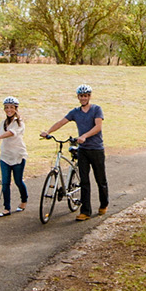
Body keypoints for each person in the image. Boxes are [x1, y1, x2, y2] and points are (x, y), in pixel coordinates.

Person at [42, 83, 108, 220]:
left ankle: (104, 204)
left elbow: (98, 127)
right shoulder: (75, 112)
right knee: (84, 181)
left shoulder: (96, 109)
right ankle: (85, 211)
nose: (83, 98)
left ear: (89, 96)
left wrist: (84, 136)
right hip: (83, 150)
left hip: (96, 149)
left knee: (100, 179)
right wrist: (48, 131)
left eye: (86, 96)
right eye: (81, 96)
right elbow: (61, 122)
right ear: (78, 97)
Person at [0, 96, 28, 217]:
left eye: (11, 107)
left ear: (16, 109)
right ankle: (6, 208)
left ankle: (24, 200)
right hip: (5, 156)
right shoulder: (3, 123)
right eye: (6, 107)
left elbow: (11, 133)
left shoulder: (19, 123)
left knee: (18, 181)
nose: (9, 110)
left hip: (18, 155)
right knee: (5, 182)